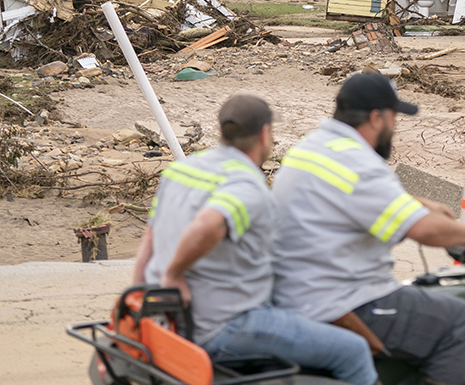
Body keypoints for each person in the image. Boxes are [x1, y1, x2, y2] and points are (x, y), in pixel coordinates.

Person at [131, 93, 378, 385]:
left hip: (173, 323)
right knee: (354, 350)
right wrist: (174, 274)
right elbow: (206, 226)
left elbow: (150, 240)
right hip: (227, 325)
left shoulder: (181, 169)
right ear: (265, 134)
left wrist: (138, 301)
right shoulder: (247, 186)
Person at [271, 72, 465, 385]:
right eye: (394, 117)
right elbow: (425, 231)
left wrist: (416, 202)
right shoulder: (360, 163)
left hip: (295, 290)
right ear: (377, 118)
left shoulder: (314, 146)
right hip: (340, 299)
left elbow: (351, 195)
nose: (395, 127)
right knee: (459, 320)